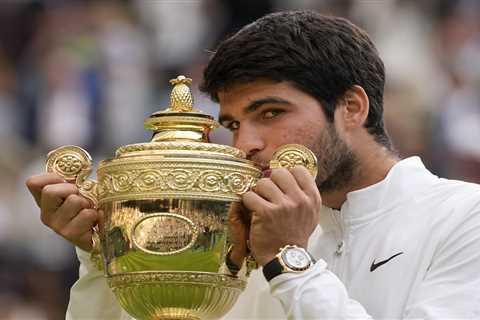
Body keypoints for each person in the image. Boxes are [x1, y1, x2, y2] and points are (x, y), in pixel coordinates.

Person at [26, 10, 480, 319]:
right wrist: (106, 256)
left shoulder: (463, 216)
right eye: (232, 123)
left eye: (270, 113)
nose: (245, 144)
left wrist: (290, 262)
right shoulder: (243, 233)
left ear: (352, 108)